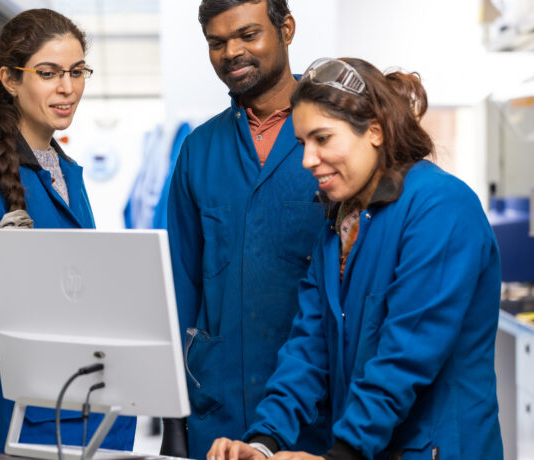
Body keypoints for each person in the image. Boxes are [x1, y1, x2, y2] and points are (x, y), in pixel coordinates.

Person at [207, 57, 503, 460]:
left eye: (322, 139)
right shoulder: (342, 219)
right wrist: (264, 441)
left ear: (375, 132)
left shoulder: (440, 208)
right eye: (302, 143)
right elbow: (310, 347)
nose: (308, 159)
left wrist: (342, 454)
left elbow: (405, 353)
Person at [0, 9, 135, 459]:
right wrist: (40, 306)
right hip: (6, 420)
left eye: (77, 72)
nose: (68, 88)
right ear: (10, 78)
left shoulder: (66, 171)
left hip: (69, 410)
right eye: (48, 73)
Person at [163, 0, 329, 457]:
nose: (231, 51)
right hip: (216, 411)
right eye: (217, 42)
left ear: (286, 29)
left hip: (314, 411)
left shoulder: (332, 139)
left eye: (248, 35)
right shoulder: (199, 149)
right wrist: (172, 413)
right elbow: (179, 287)